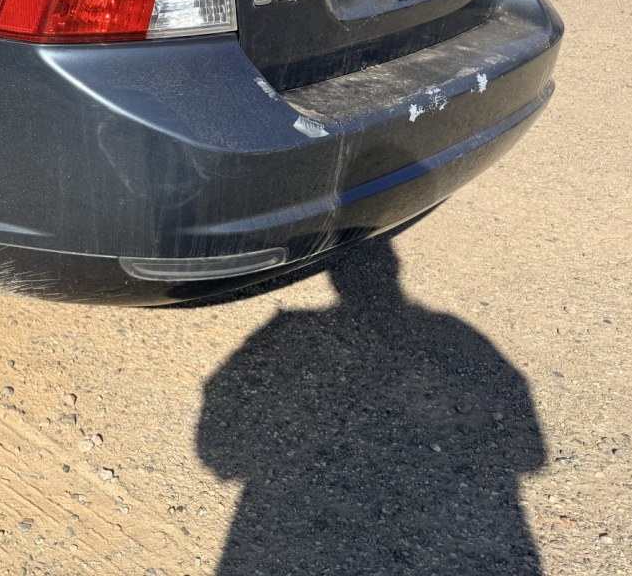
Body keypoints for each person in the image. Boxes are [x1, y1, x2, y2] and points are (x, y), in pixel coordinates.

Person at [198, 237, 545, 574]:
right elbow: (530, 455)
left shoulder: (290, 329)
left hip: (292, 525)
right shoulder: (451, 333)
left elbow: (217, 450)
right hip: (445, 521)